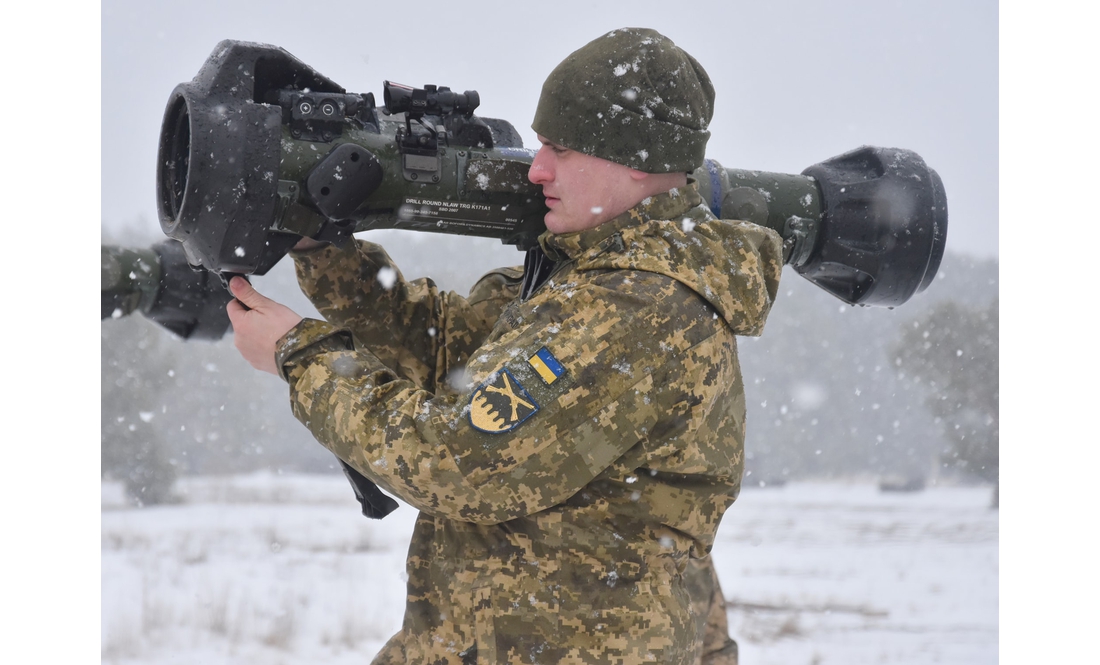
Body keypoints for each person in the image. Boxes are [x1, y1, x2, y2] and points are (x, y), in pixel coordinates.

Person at [228, 27, 783, 665]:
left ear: (639, 162)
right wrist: (323, 251)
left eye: (563, 150)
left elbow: (459, 460)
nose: (537, 168)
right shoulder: (579, 277)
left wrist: (299, 357)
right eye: (541, 143)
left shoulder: (636, 309)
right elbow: (451, 360)